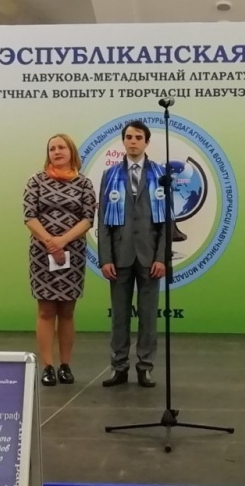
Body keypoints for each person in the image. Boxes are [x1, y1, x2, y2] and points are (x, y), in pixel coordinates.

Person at [98, 120, 167, 388]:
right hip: (120, 255)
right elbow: (103, 219)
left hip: (150, 256)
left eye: (138, 137)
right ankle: (119, 366)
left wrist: (161, 257)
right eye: (129, 137)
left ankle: (145, 367)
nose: (133, 141)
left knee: (148, 316)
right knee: (119, 315)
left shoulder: (160, 174)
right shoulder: (110, 175)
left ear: (146, 142)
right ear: (123, 141)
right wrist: (106, 258)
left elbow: (167, 221)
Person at [24, 134, 96, 386]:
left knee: (67, 310)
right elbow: (29, 216)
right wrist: (50, 242)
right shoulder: (36, 181)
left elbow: (88, 218)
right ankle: (47, 366)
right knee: (46, 310)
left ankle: (65, 365)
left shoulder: (84, 184)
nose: (57, 151)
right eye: (52, 148)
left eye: (61, 147)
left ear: (71, 151)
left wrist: (63, 241)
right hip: (42, 254)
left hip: (72, 253)